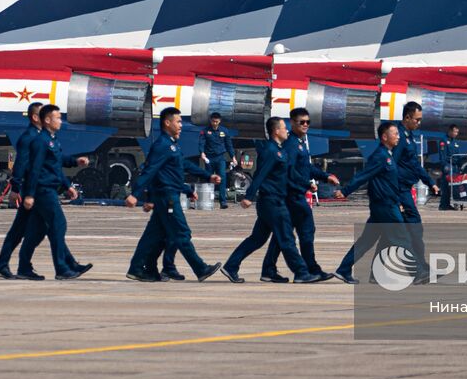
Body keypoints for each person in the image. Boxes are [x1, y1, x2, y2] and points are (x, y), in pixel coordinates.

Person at [220, 117, 326, 283]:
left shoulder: (280, 150)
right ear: (276, 131)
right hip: (272, 202)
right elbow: (260, 174)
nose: (287, 131)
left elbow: (289, 174)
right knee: (287, 238)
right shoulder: (270, 151)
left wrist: (306, 184)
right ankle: (301, 273)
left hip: (274, 202)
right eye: (284, 128)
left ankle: (233, 267)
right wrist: (248, 197)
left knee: (257, 239)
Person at [124, 107, 221, 282]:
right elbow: (150, 171)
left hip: (169, 194)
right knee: (181, 232)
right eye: (177, 121)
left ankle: (138, 268)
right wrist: (136, 194)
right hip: (167, 198)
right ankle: (200, 268)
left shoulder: (172, 145)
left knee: (155, 235)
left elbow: (181, 167)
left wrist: (207, 176)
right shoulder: (162, 145)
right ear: (167, 123)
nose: (181, 125)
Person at [332, 122, 417, 284]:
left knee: (368, 241)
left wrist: (398, 201)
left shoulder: (388, 155)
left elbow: (389, 184)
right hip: (385, 207)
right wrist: (345, 190)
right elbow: (363, 176)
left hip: (386, 205)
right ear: (385, 137)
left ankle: (345, 270)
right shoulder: (380, 156)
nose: (398, 136)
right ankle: (419, 272)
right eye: (395, 134)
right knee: (403, 238)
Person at [260, 108, 340, 282]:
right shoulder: (291, 144)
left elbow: (306, 168)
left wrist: (325, 176)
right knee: (305, 231)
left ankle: (269, 269)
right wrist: (307, 184)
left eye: (307, 122)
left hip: (295, 194)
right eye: (301, 122)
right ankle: (309, 269)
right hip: (293, 195)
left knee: (283, 235)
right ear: (292, 123)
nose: (305, 125)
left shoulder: (300, 143)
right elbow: (290, 171)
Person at [17, 104, 92, 280]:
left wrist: (74, 163)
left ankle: (24, 267)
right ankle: (62, 268)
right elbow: (34, 169)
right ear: (47, 120)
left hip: (48, 188)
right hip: (43, 191)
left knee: (36, 231)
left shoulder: (51, 139)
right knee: (59, 225)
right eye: (57, 118)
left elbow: (56, 163)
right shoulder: (40, 141)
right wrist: (29, 194)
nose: (60, 121)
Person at [0, 101, 44, 279]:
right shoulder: (29, 137)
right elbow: (21, 163)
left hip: (35, 190)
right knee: (25, 230)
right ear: (35, 117)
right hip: (27, 191)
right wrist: (15, 188)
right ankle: (18, 266)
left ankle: (10, 265)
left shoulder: (39, 136)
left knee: (24, 230)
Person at [393, 102, 437, 280]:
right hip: (398, 191)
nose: (419, 123)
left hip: (403, 189)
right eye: (417, 120)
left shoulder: (408, 136)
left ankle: (422, 268)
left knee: (383, 235)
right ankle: (419, 270)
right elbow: (391, 164)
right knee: (409, 231)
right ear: (407, 118)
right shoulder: (398, 137)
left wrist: (430, 181)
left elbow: (413, 164)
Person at [199, 112, 235, 209]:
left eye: (216, 121)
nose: (214, 123)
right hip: (209, 158)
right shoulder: (205, 131)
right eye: (213, 121)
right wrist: (202, 152)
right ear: (210, 120)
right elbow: (201, 143)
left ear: (219, 121)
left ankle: (223, 202)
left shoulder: (224, 131)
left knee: (222, 179)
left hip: (220, 158)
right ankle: (208, 201)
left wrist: (233, 156)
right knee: (209, 179)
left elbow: (229, 145)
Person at [437, 124, 461, 211]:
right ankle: (443, 204)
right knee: (446, 186)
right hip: (448, 166)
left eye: (457, 132)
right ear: (450, 131)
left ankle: (447, 204)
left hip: (454, 167)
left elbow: (457, 155)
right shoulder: (443, 140)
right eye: (455, 132)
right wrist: (445, 166)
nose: (456, 134)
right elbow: (443, 156)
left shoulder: (455, 142)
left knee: (453, 186)